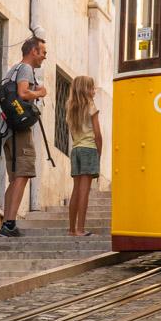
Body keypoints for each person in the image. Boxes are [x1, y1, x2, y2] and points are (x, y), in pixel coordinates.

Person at [0, 36, 49, 238]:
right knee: (24, 173)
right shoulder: (26, 69)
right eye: (42, 52)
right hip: (20, 130)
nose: (44, 56)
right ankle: (9, 224)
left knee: (15, 177)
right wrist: (41, 93)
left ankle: (6, 222)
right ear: (33, 51)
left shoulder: (14, 70)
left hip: (8, 128)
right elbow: (23, 93)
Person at [65, 76, 103, 236]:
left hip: (76, 149)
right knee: (84, 191)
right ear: (86, 89)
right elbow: (97, 133)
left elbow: (73, 135)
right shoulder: (91, 106)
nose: (94, 91)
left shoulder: (70, 107)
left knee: (76, 190)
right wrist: (99, 153)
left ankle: (72, 229)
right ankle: (80, 229)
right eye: (92, 88)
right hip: (89, 149)